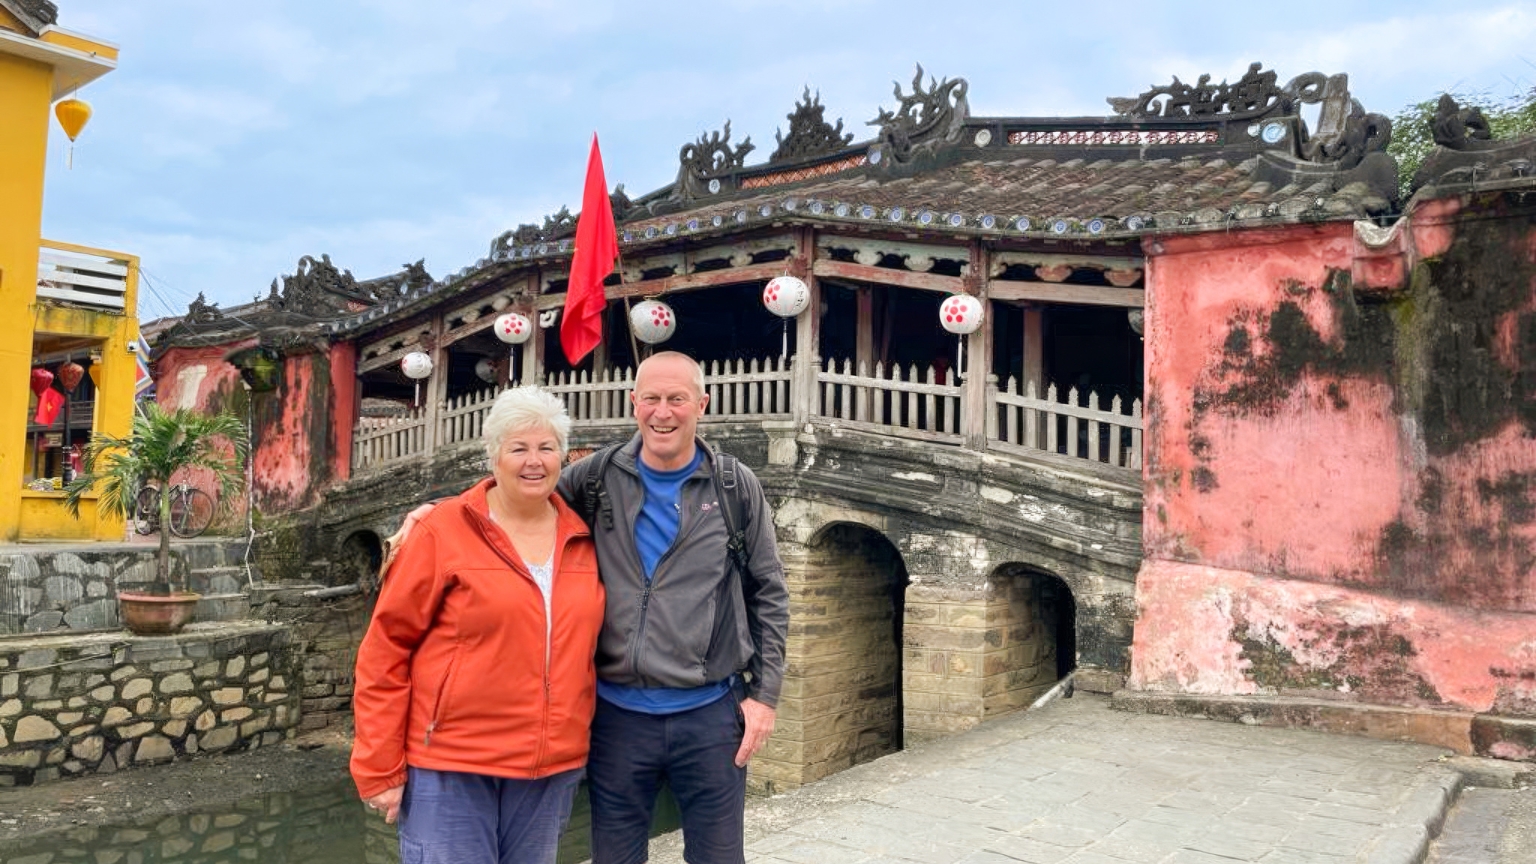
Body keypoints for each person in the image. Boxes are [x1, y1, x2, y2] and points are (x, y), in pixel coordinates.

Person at [388, 351, 790, 864]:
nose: (662, 412)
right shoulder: (597, 478)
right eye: (651, 399)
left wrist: (765, 696)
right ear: (633, 403)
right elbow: (519, 488)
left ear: (701, 405)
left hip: (710, 713)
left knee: (718, 857)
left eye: (676, 399)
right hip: (617, 716)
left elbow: (769, 593)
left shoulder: (734, 487)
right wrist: (442, 511)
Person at [351, 386, 606, 864]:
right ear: (493, 456)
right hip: (453, 762)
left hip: (548, 767)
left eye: (547, 447)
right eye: (518, 448)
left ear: (564, 456)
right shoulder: (441, 530)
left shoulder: (585, 538)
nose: (534, 461)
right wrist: (380, 767)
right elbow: (386, 651)